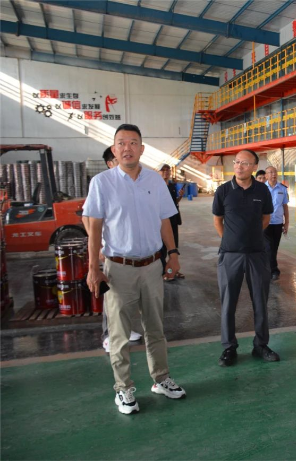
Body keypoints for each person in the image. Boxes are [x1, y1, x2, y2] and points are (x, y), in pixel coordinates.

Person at [84, 124, 186, 415]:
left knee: (155, 328)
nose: (127, 148)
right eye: (121, 143)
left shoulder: (155, 180)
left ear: (142, 149)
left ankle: (161, 379)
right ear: (114, 150)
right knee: (119, 334)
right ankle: (124, 388)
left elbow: (165, 220)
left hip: (152, 265)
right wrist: (94, 268)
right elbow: (94, 228)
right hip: (119, 268)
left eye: (133, 142)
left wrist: (173, 254)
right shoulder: (102, 183)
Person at [212, 149, 280, 367]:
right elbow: (218, 220)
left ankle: (260, 345)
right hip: (230, 255)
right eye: (237, 162)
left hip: (257, 254)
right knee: (228, 302)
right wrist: (231, 240)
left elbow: (266, 217)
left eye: (244, 163)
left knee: (260, 300)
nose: (239, 166)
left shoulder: (262, 190)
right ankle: (229, 347)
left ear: (254, 167)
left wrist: (252, 237)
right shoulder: (223, 190)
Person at [82, 147, 142, 353]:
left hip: (130, 253)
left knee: (128, 295)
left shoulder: (130, 185)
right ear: (111, 163)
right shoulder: (102, 183)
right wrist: (99, 246)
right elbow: (87, 219)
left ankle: (126, 328)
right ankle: (108, 335)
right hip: (111, 252)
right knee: (112, 295)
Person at [159, 164, 184, 281]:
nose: (166, 172)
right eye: (163, 170)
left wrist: (180, 196)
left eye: (168, 170)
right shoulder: (156, 187)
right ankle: (165, 272)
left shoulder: (172, 186)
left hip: (173, 220)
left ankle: (173, 270)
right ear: (158, 172)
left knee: (173, 247)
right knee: (162, 248)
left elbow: (174, 203)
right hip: (162, 222)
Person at [264, 166, 289, 281]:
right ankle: (274, 270)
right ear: (266, 175)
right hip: (265, 223)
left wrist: (286, 223)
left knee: (274, 247)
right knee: (268, 247)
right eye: (270, 172)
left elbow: (285, 207)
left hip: (278, 223)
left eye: (275, 172)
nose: (273, 174)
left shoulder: (282, 188)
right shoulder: (262, 189)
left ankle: (268, 268)